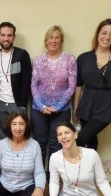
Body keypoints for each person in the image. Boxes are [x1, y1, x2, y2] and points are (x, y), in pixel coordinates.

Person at [73, 18, 111, 150]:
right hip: (86, 104)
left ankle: (70, 168)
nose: (107, 37)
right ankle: (88, 170)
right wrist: (75, 109)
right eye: (104, 33)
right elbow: (78, 85)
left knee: (79, 139)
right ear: (98, 34)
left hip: (107, 105)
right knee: (91, 142)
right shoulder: (83, 58)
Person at [31, 25, 77, 175]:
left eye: (57, 37)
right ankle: (39, 176)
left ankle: (53, 177)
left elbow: (72, 86)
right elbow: (33, 85)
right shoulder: (38, 60)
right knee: (40, 143)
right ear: (46, 40)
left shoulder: (69, 59)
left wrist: (57, 106)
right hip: (39, 110)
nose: (54, 40)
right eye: (51, 37)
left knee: (56, 144)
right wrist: (41, 106)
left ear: (61, 40)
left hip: (61, 110)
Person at [0, 22, 32, 139]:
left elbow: (26, 81)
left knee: (20, 136)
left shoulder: (22, 55)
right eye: (3, 35)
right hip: (0, 104)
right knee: (3, 137)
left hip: (17, 104)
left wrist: (23, 105)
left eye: (9, 35)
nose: (6, 38)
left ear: (14, 37)